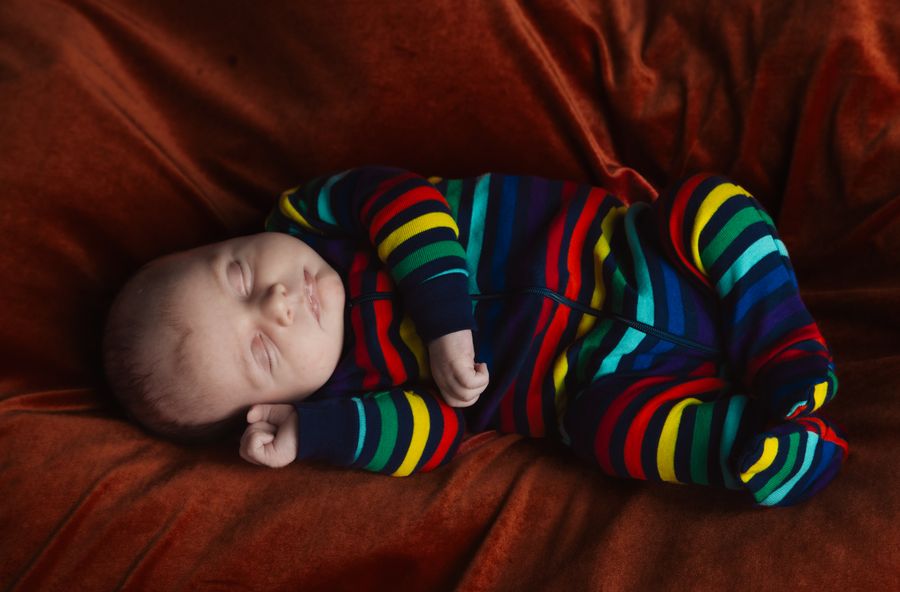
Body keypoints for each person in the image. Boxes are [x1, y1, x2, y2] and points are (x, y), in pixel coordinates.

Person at [102, 166, 848, 507]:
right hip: (606, 379)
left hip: (641, 251)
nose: (276, 301)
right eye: (263, 350)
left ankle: (785, 349)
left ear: (232, 242)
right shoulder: (346, 393)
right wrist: (316, 432)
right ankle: (760, 449)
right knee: (608, 433)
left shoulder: (313, 218)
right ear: (268, 406)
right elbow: (433, 434)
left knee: (710, 203)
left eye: (235, 275)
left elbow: (405, 198)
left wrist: (445, 323)